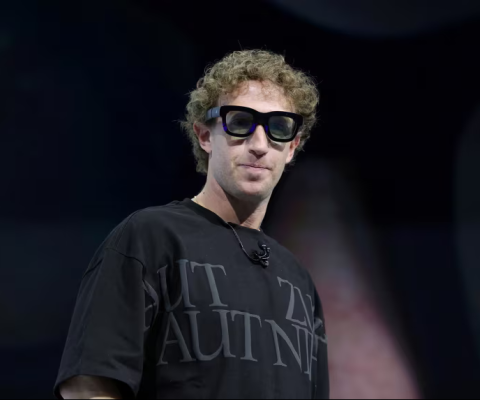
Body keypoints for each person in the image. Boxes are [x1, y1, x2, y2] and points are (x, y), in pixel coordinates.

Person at [54, 49, 329, 399]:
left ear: (292, 147)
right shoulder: (151, 238)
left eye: (278, 127)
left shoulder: (298, 280)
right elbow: (88, 387)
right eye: (240, 122)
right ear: (204, 135)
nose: (260, 145)